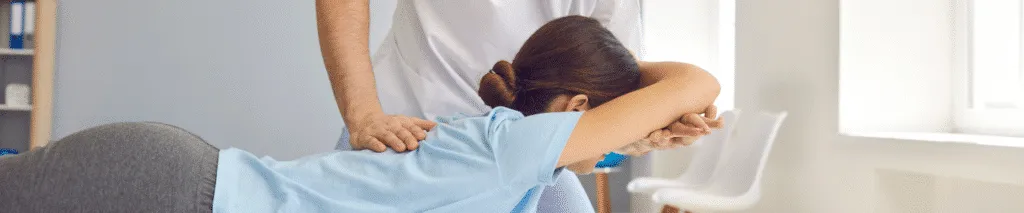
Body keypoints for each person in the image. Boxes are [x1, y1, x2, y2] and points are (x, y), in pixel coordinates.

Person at [0, 16, 721, 213]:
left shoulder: (518, 175)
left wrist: (632, 115)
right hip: (171, 190)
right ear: (575, 110)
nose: (622, 148)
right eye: (615, 131)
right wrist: (637, 107)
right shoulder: (512, 151)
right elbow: (696, 80)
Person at [316, 1, 649, 211]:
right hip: (406, 131)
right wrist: (362, 115)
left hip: (528, 145)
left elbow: (616, 64)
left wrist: (650, 123)